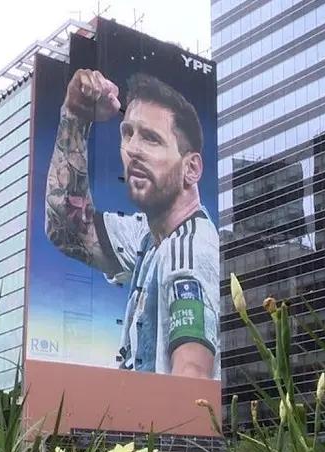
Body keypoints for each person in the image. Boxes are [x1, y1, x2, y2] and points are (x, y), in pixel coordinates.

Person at [45, 69, 219, 380]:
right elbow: (66, 227)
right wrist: (75, 115)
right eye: (128, 133)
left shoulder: (189, 252)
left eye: (151, 138)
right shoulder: (150, 236)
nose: (133, 150)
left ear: (191, 168)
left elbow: (192, 375)